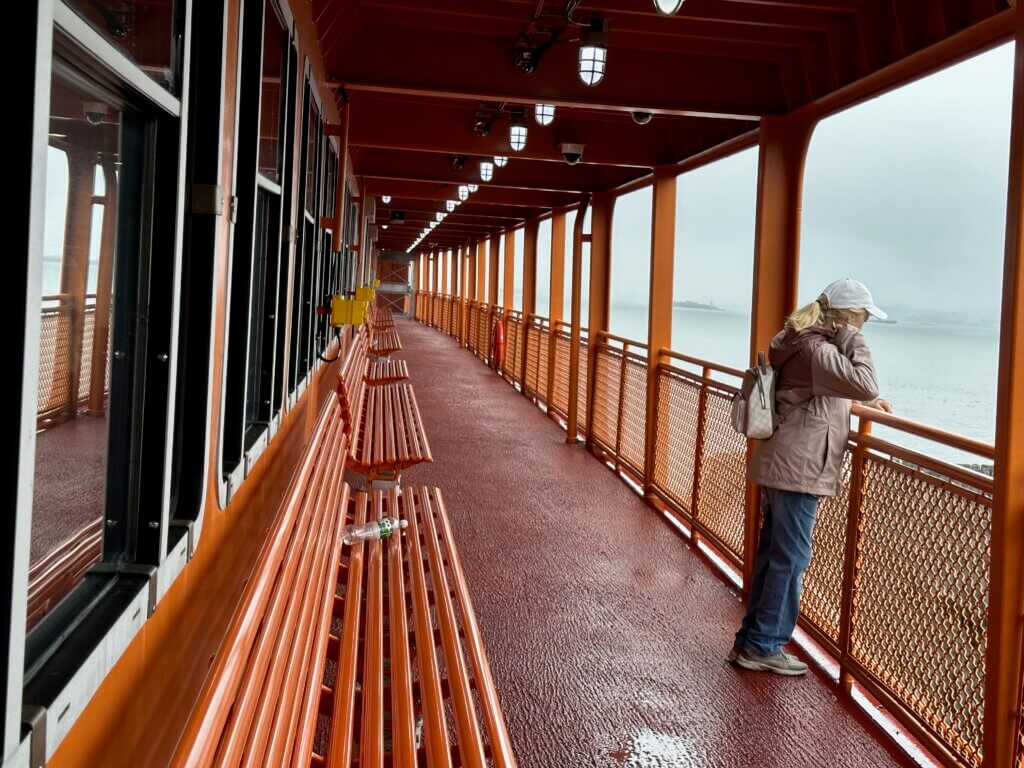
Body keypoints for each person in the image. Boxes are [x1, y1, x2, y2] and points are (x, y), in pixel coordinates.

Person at [730, 278, 892, 675]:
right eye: (863, 320)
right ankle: (763, 644)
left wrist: (852, 403)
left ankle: (752, 641)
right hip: (798, 467)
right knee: (791, 558)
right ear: (848, 318)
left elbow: (816, 392)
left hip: (787, 461)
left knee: (776, 555)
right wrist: (852, 339)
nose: (865, 326)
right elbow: (867, 382)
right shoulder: (818, 348)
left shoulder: (800, 341)